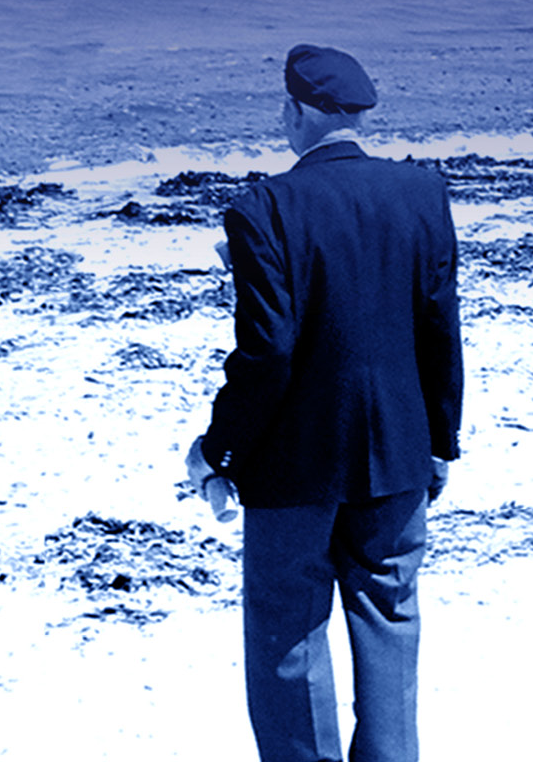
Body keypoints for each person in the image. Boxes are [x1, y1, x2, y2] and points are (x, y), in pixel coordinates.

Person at [183, 44, 463, 762]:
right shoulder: (422, 193)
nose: (283, 117)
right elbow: (439, 328)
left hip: (295, 466)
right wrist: (440, 440)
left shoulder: (263, 208)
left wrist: (218, 450)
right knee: (390, 622)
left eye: (285, 106)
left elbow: (268, 351)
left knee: (288, 633)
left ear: (304, 112)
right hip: (398, 450)